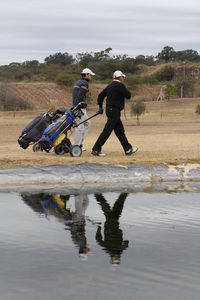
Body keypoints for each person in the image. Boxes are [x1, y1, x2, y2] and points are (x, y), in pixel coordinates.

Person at [91, 70, 138, 156]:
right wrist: (124, 88)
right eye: (122, 77)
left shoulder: (110, 86)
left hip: (110, 110)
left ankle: (128, 149)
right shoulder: (120, 85)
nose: (123, 78)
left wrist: (100, 107)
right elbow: (128, 95)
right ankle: (96, 149)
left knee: (120, 131)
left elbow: (100, 96)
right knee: (107, 131)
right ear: (120, 78)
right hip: (114, 111)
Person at [72, 68, 95, 151]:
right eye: (90, 75)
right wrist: (76, 107)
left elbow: (76, 96)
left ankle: (79, 144)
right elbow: (80, 96)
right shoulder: (85, 83)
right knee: (80, 126)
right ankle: (76, 146)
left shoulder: (78, 82)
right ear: (86, 75)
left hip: (78, 107)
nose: (91, 77)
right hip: (80, 108)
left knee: (87, 123)